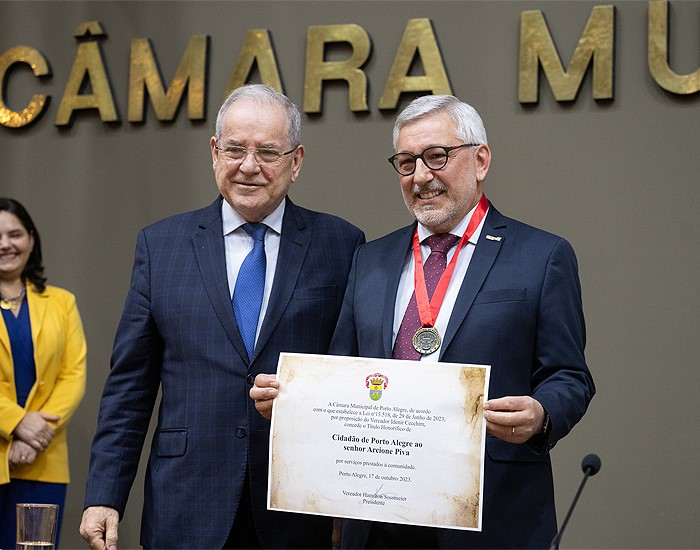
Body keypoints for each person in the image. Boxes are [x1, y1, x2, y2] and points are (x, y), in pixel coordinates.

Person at [251, 94, 595, 549]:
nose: (422, 176)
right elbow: (344, 371)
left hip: (490, 516)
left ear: (480, 160)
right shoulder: (370, 258)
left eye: (437, 157)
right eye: (407, 162)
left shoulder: (541, 257)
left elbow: (569, 375)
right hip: (376, 518)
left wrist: (542, 413)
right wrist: (295, 402)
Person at [79, 84, 365, 550]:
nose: (249, 166)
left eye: (268, 152)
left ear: (296, 161)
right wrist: (104, 496)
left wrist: (348, 507)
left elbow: (352, 374)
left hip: (295, 508)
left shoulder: (341, 245)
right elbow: (129, 386)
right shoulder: (162, 245)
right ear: (215, 152)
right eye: (235, 149)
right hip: (186, 503)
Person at [0, 198, 87, 549]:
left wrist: (35, 433)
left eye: (14, 234)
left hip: (42, 457)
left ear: (31, 240)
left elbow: (74, 374)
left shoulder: (62, 302)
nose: (5, 244)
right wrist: (16, 423)